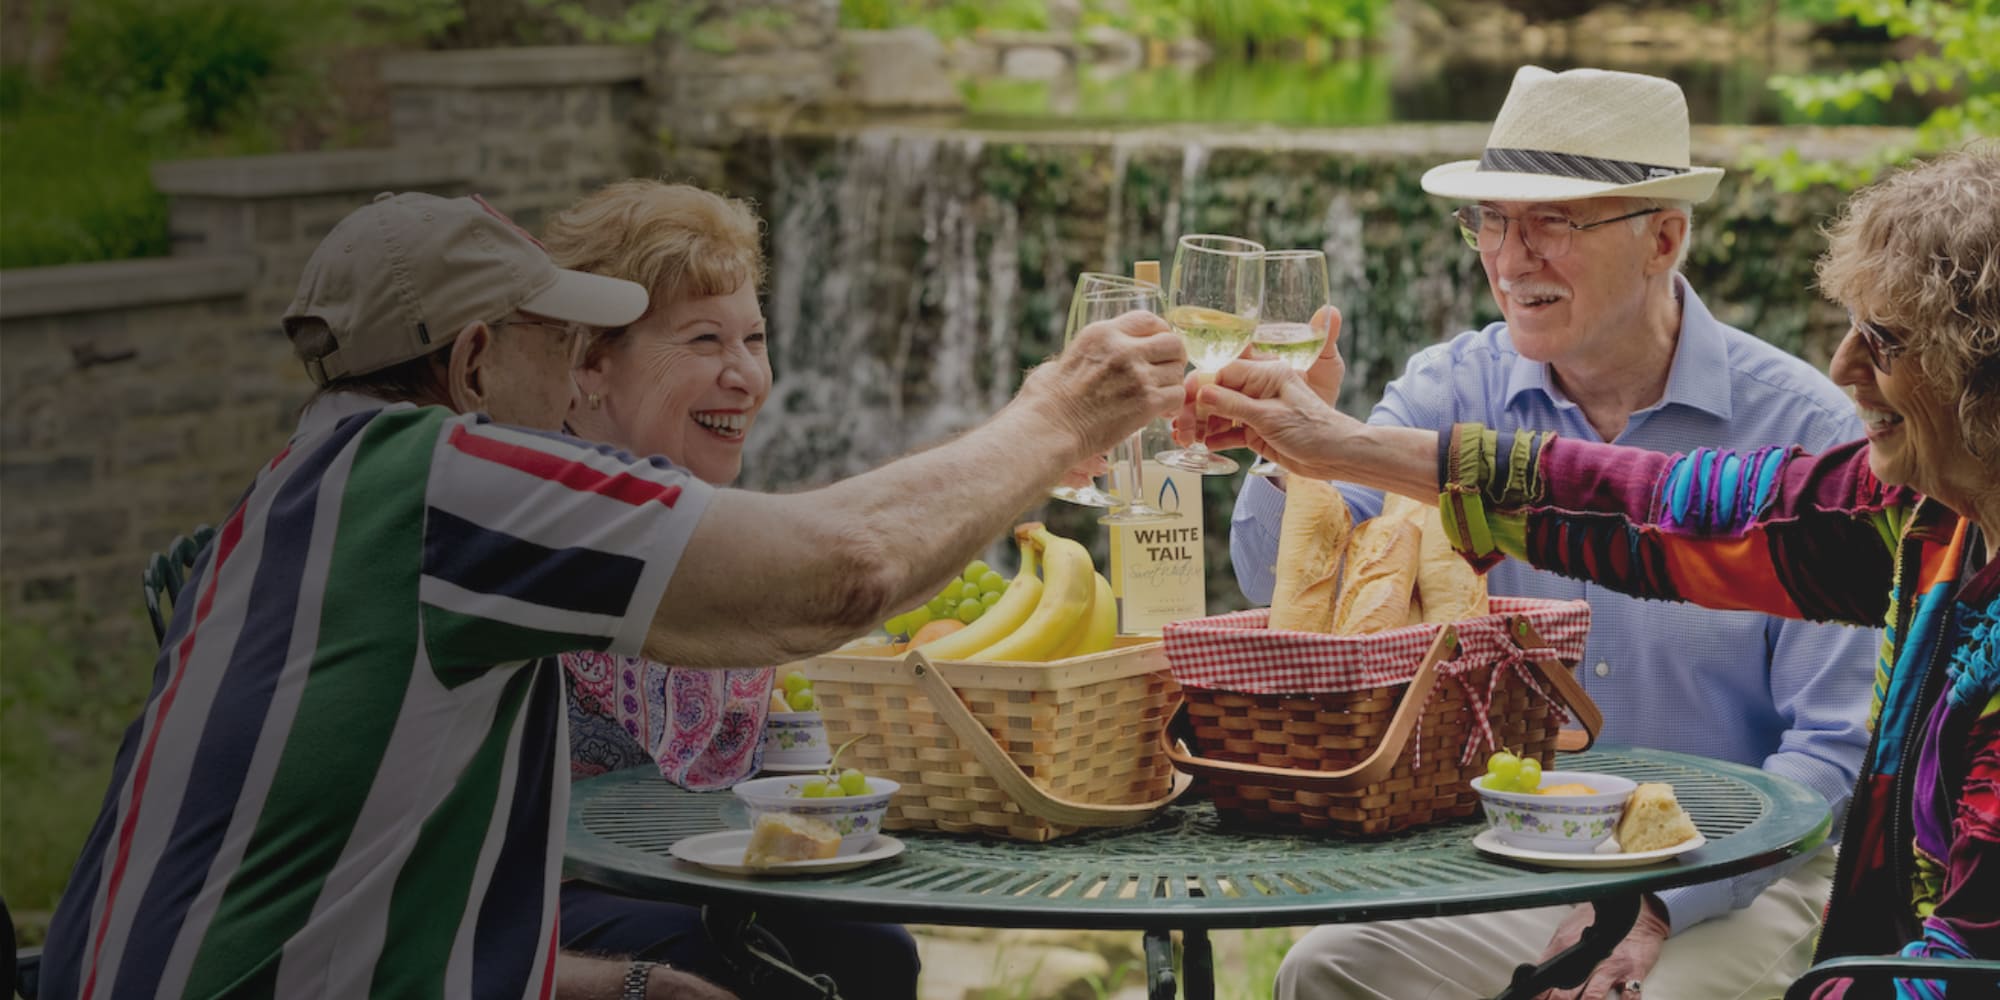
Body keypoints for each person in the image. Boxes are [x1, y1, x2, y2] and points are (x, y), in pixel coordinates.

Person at [37, 190, 1186, 1000]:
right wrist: (1058, 416)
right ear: (476, 361)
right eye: (567, 344)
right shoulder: (450, 478)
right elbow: (846, 573)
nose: (585, 371)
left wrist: (609, 982)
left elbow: (339, 880)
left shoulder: (297, 492)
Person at [1184, 144, 1998, 999]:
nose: (1845, 368)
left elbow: (1944, 944)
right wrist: (1321, 448)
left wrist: (1656, 903)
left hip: (1734, 873)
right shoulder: (1906, 513)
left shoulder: (1839, 446)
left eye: (1885, 341)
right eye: (1490, 222)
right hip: (1516, 850)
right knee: (1330, 969)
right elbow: (1652, 513)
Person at [541, 179, 921, 996]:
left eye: (753, 337)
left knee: (874, 945)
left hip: (686, 877)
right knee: (756, 960)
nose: (746, 375)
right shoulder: (547, 512)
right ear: (590, 362)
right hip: (525, 912)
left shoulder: (700, 517)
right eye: (705, 341)